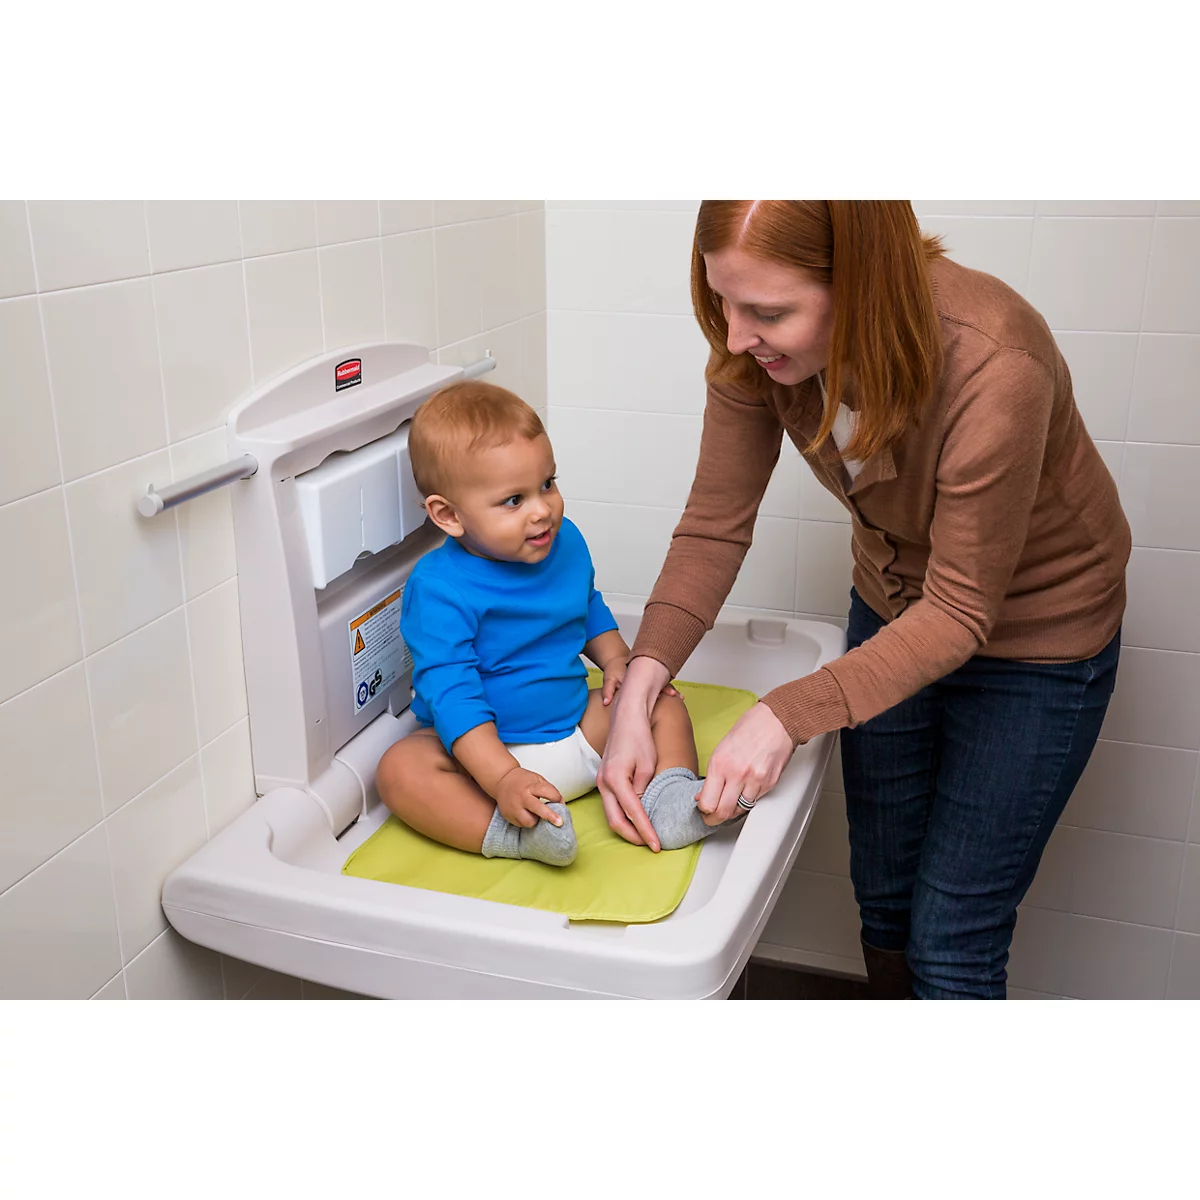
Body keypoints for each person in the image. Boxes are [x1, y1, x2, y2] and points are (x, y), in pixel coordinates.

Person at [596, 201, 1130, 999]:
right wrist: (638, 689)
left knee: (952, 937)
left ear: (861, 286)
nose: (736, 337)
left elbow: (958, 613)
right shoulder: (751, 352)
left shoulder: (995, 362)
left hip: (1039, 640)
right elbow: (713, 529)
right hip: (894, 605)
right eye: (723, 302)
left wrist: (786, 712)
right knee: (881, 896)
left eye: (768, 312)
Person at [376, 380, 718, 867]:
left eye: (547, 484)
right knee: (400, 770)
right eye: (513, 500)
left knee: (658, 700)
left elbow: (585, 605)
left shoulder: (563, 541)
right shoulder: (437, 590)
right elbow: (453, 697)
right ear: (449, 515)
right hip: (483, 764)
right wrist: (501, 778)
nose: (542, 510)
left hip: (578, 730)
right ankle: (514, 835)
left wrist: (617, 659)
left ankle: (668, 798)